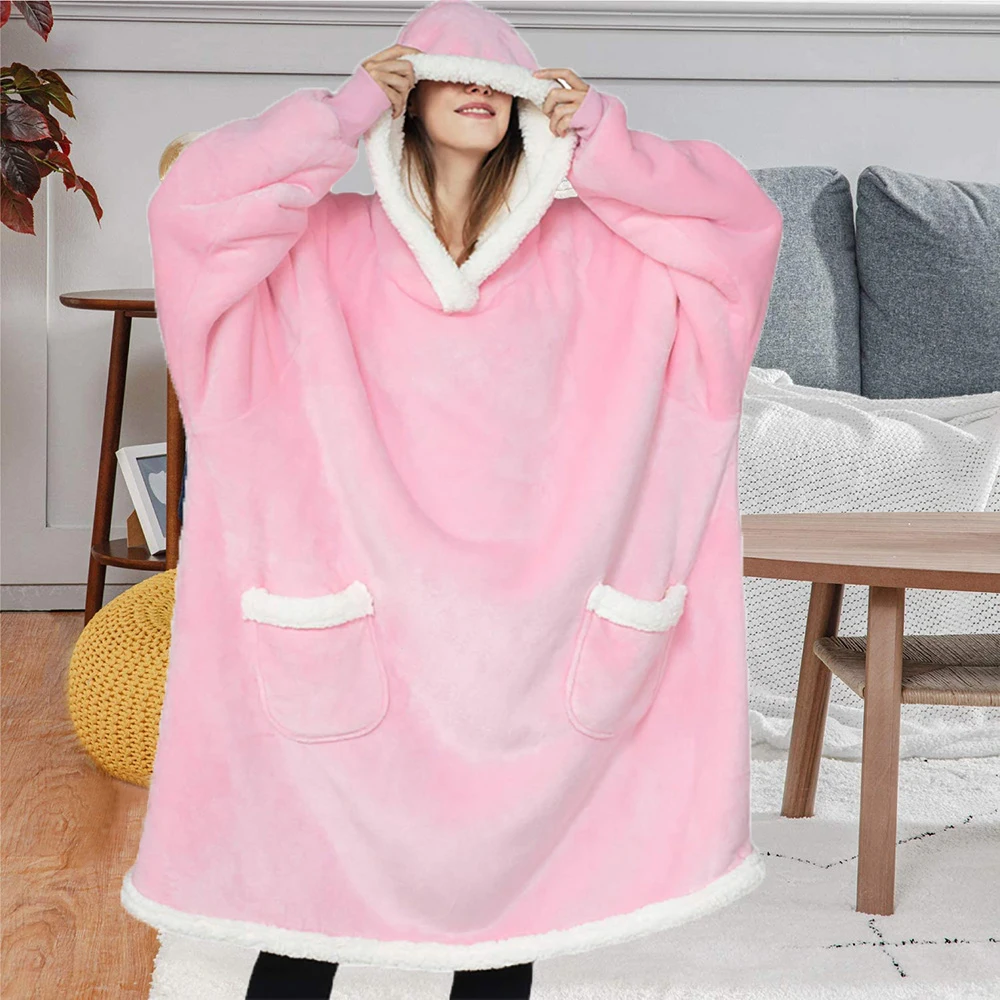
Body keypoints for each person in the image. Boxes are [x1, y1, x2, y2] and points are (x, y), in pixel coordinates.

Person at [122, 1, 784, 998]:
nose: (477, 84)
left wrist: (604, 142)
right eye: (449, 68)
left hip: (530, 645)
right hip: (358, 624)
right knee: (308, 902)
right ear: (408, 93)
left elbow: (736, 230)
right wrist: (338, 115)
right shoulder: (321, 248)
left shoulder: (593, 253)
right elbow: (192, 209)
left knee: (506, 908)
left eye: (500, 76)